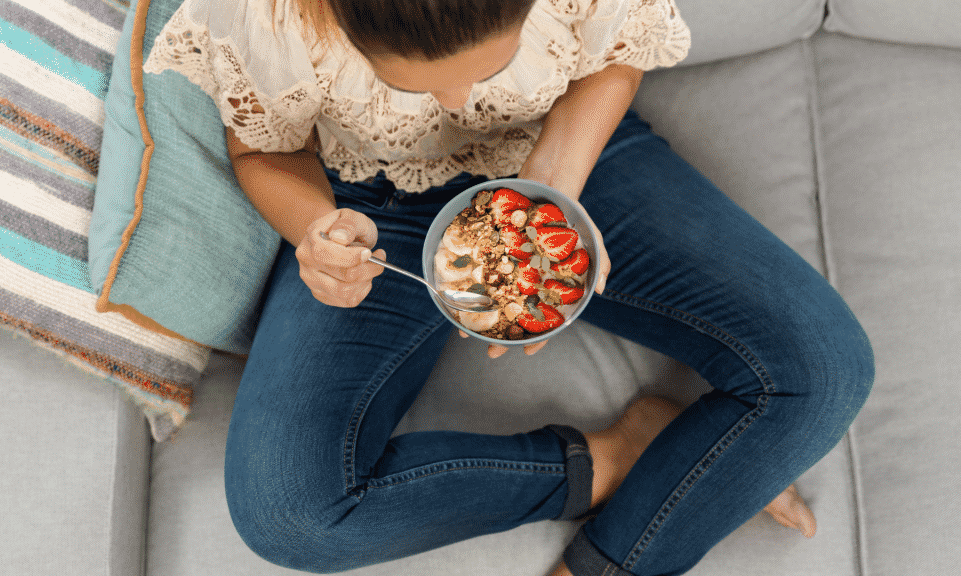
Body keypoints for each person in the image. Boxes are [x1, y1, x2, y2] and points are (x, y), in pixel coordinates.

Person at [144, 0, 875, 573]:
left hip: (564, 148)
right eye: (421, 82)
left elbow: (615, 56)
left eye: (490, 65)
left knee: (825, 367)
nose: (460, 100)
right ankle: (623, 457)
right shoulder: (262, 14)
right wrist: (316, 232)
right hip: (376, 203)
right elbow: (264, 148)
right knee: (289, 516)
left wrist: (553, 186)